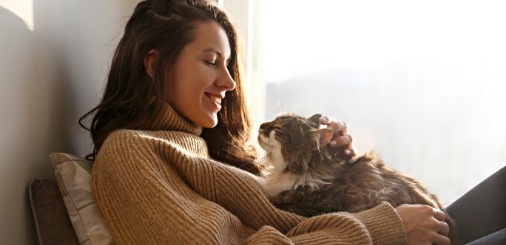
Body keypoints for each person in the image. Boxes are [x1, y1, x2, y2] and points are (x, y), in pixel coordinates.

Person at [80, 0, 505, 244]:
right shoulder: (131, 155)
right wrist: (382, 227)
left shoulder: (204, 152)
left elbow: (298, 219)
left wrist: (331, 166)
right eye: (212, 62)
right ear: (154, 64)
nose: (228, 82)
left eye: (230, 66)